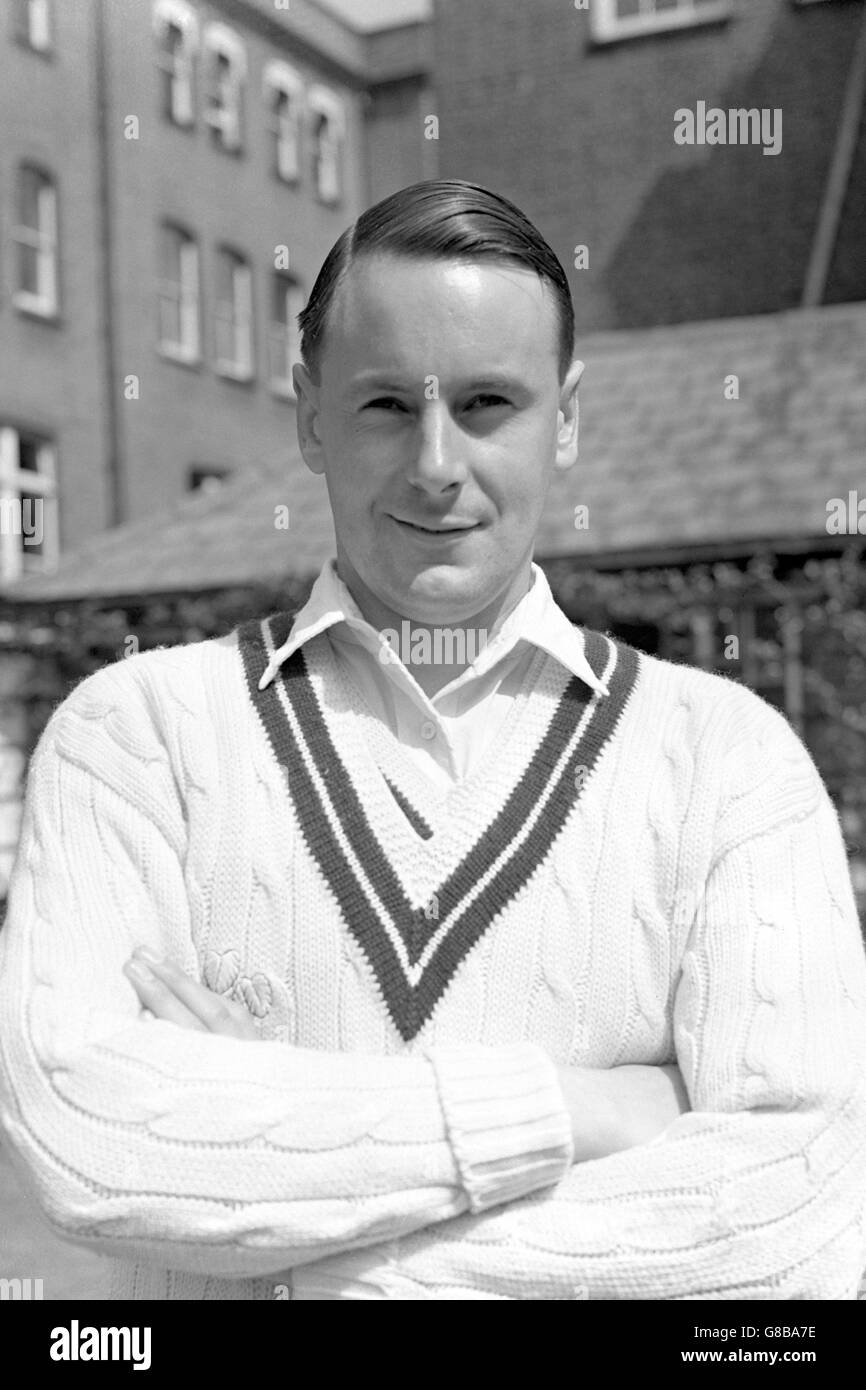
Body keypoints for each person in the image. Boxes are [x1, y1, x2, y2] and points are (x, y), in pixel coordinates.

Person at [1, 179, 865, 1302]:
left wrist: (294, 1233)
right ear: (310, 412)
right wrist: (585, 1109)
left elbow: (799, 1223)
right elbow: (88, 1141)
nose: (435, 463)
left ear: (564, 418)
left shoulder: (726, 761)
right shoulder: (136, 740)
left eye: (488, 401)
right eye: (383, 407)